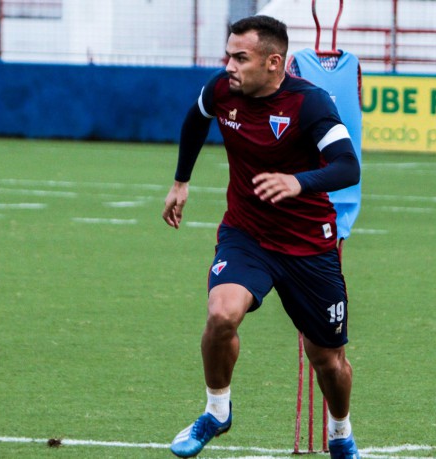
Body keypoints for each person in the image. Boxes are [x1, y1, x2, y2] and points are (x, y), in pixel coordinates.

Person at [162, 15, 361, 459]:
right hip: (247, 235)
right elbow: (196, 119)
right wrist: (181, 181)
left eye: (240, 57)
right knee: (221, 315)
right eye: (227, 55)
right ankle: (216, 411)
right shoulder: (221, 90)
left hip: (310, 245)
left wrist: (298, 182)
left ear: (274, 63)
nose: (228, 65)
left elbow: (348, 166)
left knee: (328, 362)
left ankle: (341, 433)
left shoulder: (310, 104)